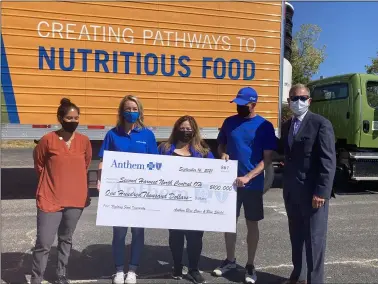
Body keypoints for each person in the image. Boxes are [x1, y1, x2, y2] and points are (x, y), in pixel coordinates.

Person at [212, 87, 277, 284]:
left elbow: (267, 159)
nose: (239, 107)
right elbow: (221, 144)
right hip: (230, 183)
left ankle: (250, 264)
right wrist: (222, 153)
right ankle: (230, 260)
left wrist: (249, 176)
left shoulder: (264, 126)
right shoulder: (229, 122)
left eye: (243, 104)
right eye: (237, 104)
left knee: (252, 224)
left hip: (252, 185)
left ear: (253, 104)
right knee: (229, 223)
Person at [97, 95, 158, 284]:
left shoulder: (147, 135)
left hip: (141, 192)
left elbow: (156, 163)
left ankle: (133, 270)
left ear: (139, 111)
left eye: (134, 109)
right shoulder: (112, 134)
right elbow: (103, 161)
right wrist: (101, 180)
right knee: (119, 233)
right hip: (119, 193)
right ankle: (118, 270)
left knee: (138, 232)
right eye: (127, 108)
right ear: (121, 111)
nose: (131, 112)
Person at [31, 98, 92, 284]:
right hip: (50, 198)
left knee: (66, 239)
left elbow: (86, 165)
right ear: (60, 118)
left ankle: (61, 274)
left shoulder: (84, 141)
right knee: (44, 243)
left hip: (75, 199)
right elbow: (39, 164)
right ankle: (36, 278)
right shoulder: (47, 140)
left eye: (76, 118)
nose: (73, 121)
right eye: (69, 117)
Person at [280, 84, 336, 284]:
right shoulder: (287, 126)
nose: (298, 102)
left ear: (309, 101)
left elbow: (328, 161)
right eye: (294, 98)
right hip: (292, 192)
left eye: (302, 98)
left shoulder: (320, 124)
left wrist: (321, 192)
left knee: (314, 241)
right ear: (289, 101)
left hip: (313, 194)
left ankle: (315, 281)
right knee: (296, 238)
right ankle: (299, 276)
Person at [158, 115, 214, 284]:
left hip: (195, 203)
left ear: (194, 130)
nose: (185, 131)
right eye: (182, 128)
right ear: (176, 129)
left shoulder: (204, 152)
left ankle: (193, 269)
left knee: (195, 237)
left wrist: (224, 163)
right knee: (175, 235)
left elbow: (215, 173)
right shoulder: (164, 148)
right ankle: (176, 265)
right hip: (172, 201)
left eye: (189, 129)